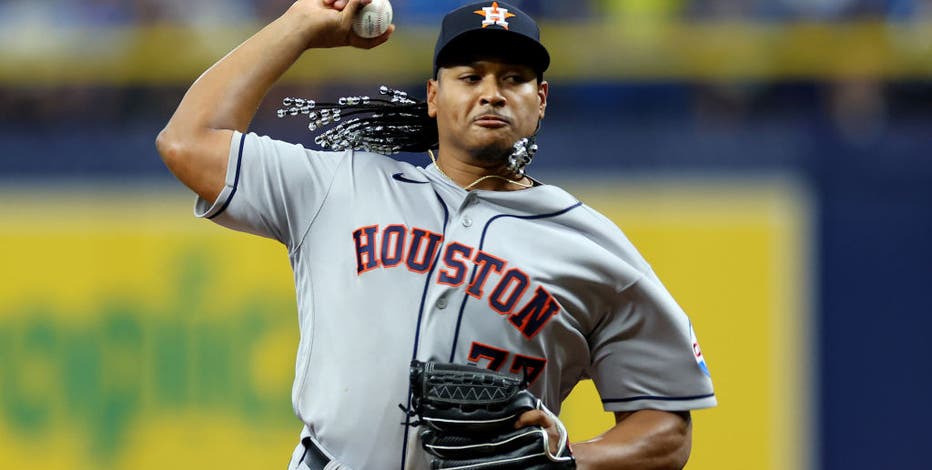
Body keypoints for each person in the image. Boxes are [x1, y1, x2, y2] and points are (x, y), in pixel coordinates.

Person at [155, 1, 717, 468]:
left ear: (540, 101)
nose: (492, 93)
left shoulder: (592, 246)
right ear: (433, 96)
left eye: (514, 79)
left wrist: (568, 459)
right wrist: (299, 25)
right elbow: (187, 141)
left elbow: (667, 425)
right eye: (470, 77)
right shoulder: (339, 183)